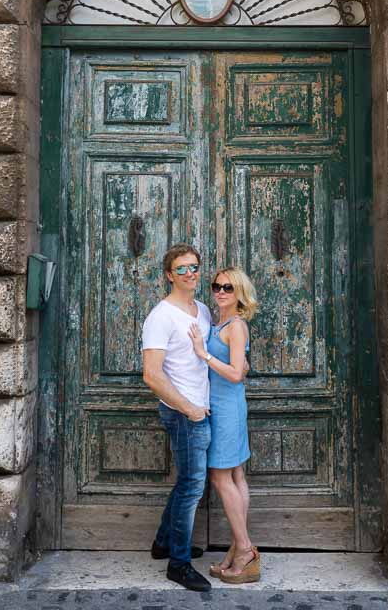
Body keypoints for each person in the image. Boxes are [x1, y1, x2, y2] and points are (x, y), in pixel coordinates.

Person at [142, 243, 212, 592]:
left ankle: (164, 543)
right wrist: (189, 409)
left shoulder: (201, 310)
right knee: (192, 486)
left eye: (194, 267)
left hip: (200, 409)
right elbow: (152, 375)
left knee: (187, 482)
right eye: (182, 268)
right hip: (184, 414)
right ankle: (179, 564)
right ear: (169, 275)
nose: (190, 273)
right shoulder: (161, 316)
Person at [189, 266, 260, 584]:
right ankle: (237, 547)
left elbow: (233, 373)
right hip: (222, 406)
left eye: (228, 288)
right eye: (216, 286)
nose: (220, 291)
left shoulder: (237, 325)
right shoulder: (220, 322)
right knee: (235, 475)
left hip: (226, 408)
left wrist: (203, 355)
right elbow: (240, 368)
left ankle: (244, 549)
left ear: (239, 293)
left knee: (220, 477)